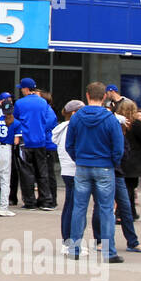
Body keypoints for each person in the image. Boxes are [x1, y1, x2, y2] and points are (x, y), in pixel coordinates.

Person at [65, 81, 124, 263]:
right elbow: (118, 148)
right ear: (105, 96)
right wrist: (111, 162)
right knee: (106, 210)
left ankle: (74, 249)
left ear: (87, 95)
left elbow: (69, 145)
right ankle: (109, 252)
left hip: (82, 167)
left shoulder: (76, 117)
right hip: (104, 167)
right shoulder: (110, 119)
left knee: (79, 208)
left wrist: (79, 159)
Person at [113, 99, 141, 253]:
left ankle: (130, 241)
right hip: (113, 168)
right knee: (115, 204)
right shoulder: (115, 122)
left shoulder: (124, 124)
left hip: (115, 168)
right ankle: (128, 242)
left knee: (119, 204)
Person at [14, 78, 58, 211]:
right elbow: (48, 120)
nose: (21, 90)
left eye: (22, 88)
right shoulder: (43, 102)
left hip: (25, 141)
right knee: (42, 172)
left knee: (26, 172)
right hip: (40, 141)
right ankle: (46, 200)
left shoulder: (20, 103)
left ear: (26, 89)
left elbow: (16, 121)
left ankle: (30, 201)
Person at [54, 99, 83, 248]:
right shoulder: (71, 128)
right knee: (75, 207)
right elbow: (72, 149)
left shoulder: (62, 128)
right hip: (74, 170)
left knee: (70, 205)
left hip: (67, 170)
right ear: (74, 113)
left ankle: (68, 240)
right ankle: (70, 241)